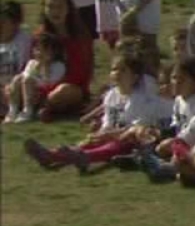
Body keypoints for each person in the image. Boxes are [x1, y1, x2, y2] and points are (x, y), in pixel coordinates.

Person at [23, 52, 170, 173]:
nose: (117, 73)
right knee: (88, 142)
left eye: (123, 70)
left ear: (135, 77)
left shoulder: (140, 99)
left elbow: (133, 129)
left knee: (120, 144)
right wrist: (100, 134)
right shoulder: (111, 95)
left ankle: (83, 157)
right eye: (114, 69)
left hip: (134, 140)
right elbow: (108, 121)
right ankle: (52, 155)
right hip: (113, 135)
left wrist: (107, 135)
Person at [30, 0, 94, 118]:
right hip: (42, 85)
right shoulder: (40, 35)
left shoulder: (79, 36)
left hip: (70, 88)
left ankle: (44, 107)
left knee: (64, 91)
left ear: (68, 9)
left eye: (60, 7)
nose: (55, 11)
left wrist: (51, 89)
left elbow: (80, 74)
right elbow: (32, 65)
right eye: (51, 7)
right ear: (44, 9)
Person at [6, 34, 64, 123]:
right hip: (26, 91)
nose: (39, 53)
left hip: (42, 94)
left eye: (44, 50)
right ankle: (13, 110)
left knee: (27, 80)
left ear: (53, 52)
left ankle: (27, 111)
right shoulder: (32, 63)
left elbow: (50, 83)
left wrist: (45, 67)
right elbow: (25, 76)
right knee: (18, 78)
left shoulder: (58, 66)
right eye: (37, 49)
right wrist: (37, 67)